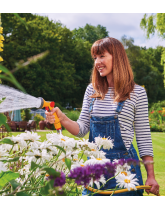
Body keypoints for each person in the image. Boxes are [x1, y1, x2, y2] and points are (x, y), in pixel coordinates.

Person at [45, 37, 160, 196]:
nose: (97, 62)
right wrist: (62, 117)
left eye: (102, 56)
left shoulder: (137, 93)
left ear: (117, 57)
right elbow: (82, 130)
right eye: (95, 58)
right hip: (94, 170)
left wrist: (151, 176)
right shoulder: (91, 90)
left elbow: (143, 137)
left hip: (125, 172)